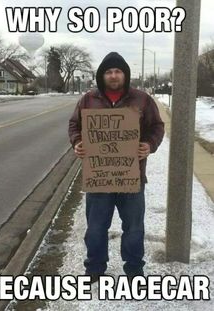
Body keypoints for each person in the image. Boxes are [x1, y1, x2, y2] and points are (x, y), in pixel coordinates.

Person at [68, 52, 164, 283]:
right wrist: (78, 143)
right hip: (99, 178)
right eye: (109, 71)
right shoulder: (88, 100)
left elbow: (157, 127)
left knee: (133, 228)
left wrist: (148, 145)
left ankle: (133, 269)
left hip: (132, 177)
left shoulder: (142, 99)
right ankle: (94, 268)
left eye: (118, 71)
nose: (113, 75)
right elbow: (74, 125)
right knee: (96, 228)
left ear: (125, 74)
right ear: (102, 75)